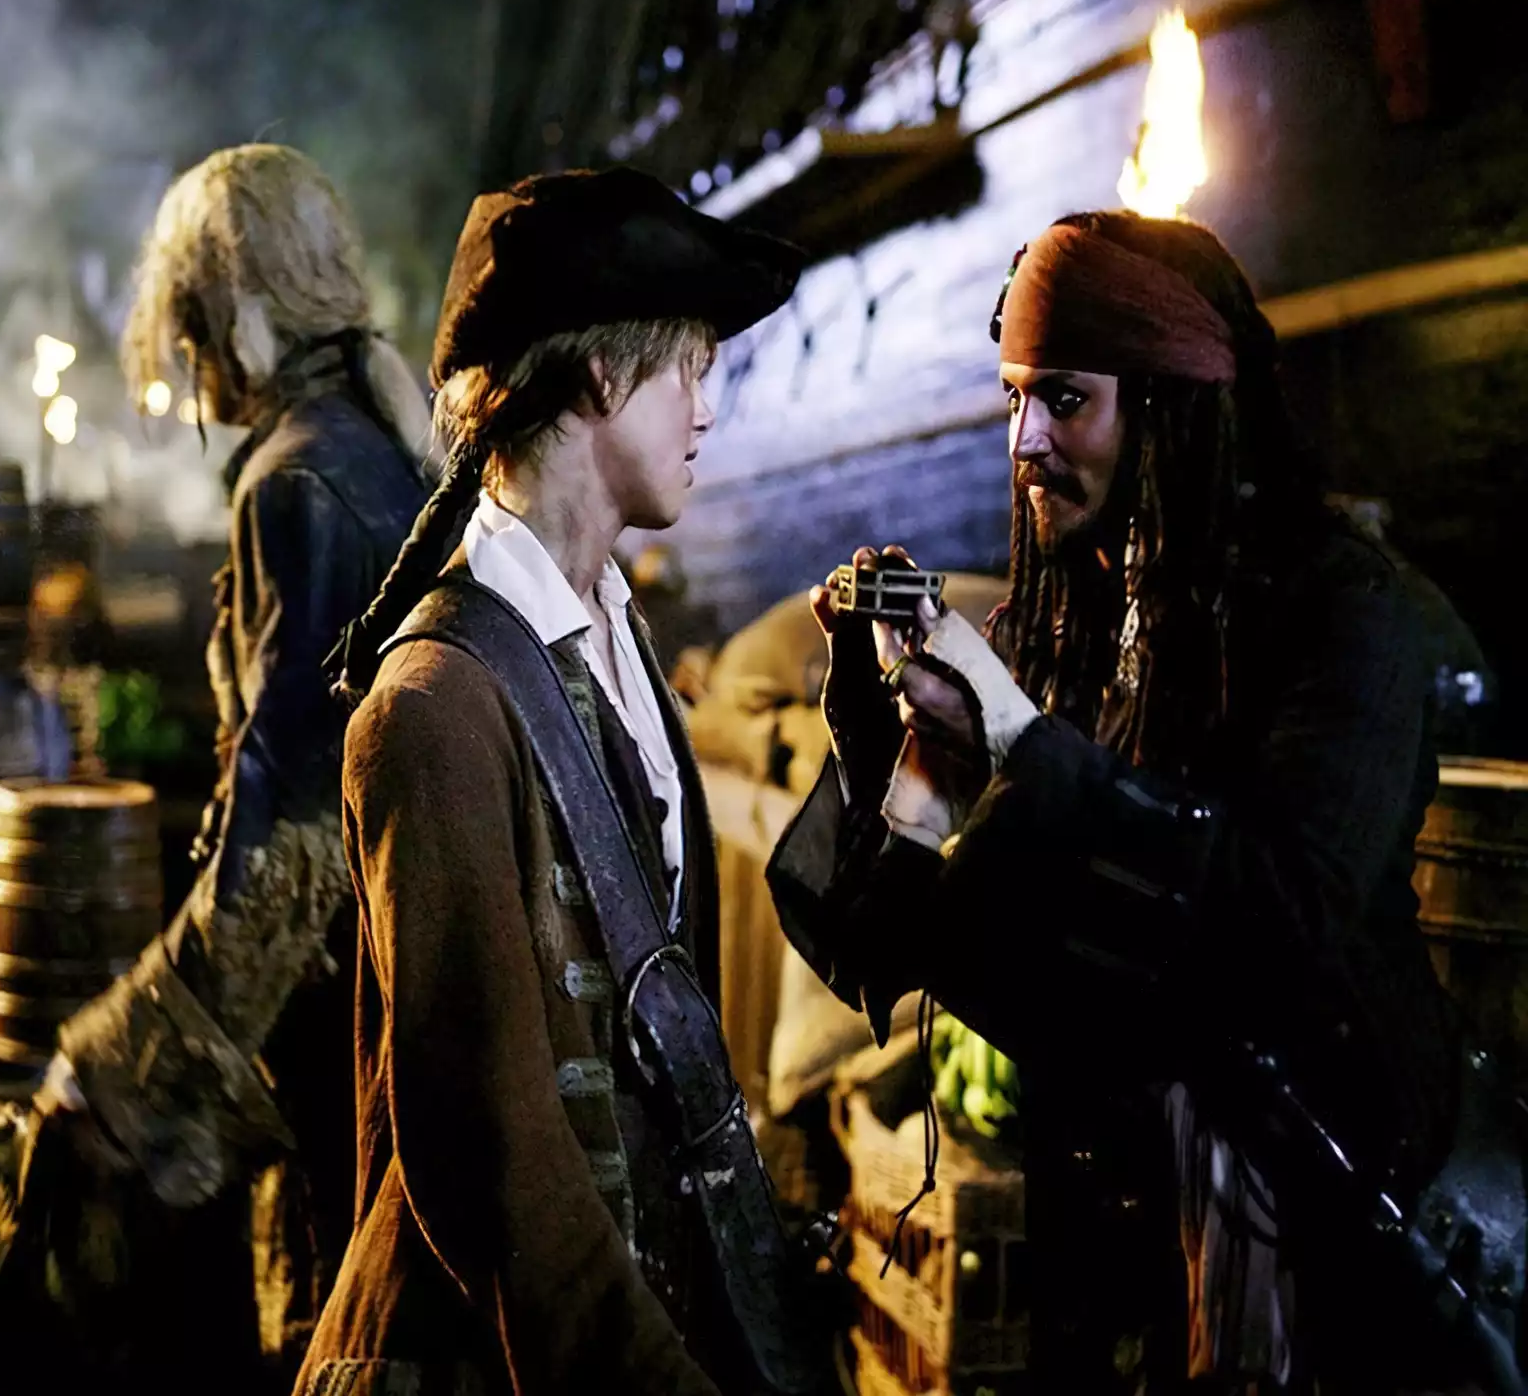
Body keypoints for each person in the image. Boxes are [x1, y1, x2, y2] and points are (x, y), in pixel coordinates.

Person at [769, 212, 1511, 1394]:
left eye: (1065, 400)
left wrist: (1022, 742)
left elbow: (1279, 915)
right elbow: (897, 944)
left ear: (1167, 404)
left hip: (1319, 1216)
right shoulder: (1063, 620)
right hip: (1109, 1227)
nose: (1025, 441)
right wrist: (894, 745)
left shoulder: (1344, 615)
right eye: (1014, 398)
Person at [295, 167, 828, 1396]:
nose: (706, 410)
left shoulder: (620, 642)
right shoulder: (433, 712)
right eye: (688, 368)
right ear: (601, 377)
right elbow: (495, 1161)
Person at [14, 144, 432, 1382]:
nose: (186, 360)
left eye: (187, 325)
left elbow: (286, 849)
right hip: (400, 989)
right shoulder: (380, 452)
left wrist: (120, 1064)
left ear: (224, 316)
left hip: (339, 1016)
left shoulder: (296, 485)